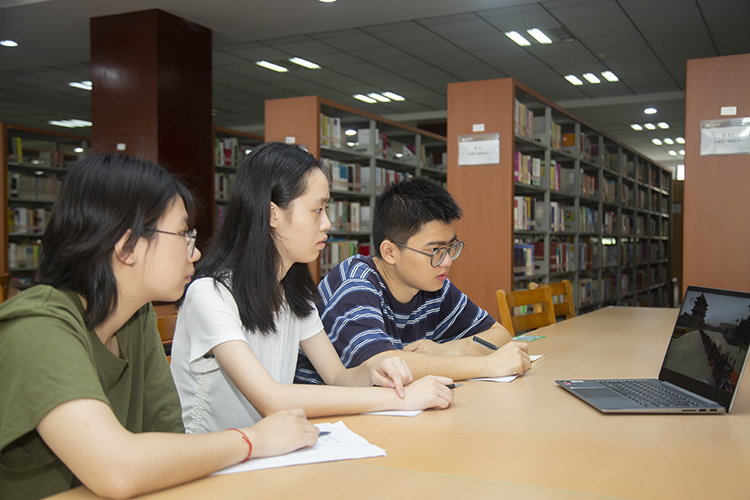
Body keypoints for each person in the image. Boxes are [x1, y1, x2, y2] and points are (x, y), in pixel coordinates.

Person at [0, 154, 319, 500]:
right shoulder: (38, 327)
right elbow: (116, 469)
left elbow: (169, 436)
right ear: (127, 247)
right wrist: (252, 440)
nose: (195, 253)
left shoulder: (135, 319)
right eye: (183, 235)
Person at [170, 142, 453, 433]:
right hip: (213, 455)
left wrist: (371, 370)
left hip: (275, 446)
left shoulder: (293, 294)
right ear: (272, 214)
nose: (326, 223)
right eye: (317, 210)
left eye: (326, 209)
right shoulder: (211, 294)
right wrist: (399, 399)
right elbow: (271, 399)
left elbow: (337, 377)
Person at [295, 177, 531, 385]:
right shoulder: (354, 282)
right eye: (435, 250)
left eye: (450, 247)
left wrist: (445, 351)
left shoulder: (433, 286)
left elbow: (498, 334)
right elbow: (383, 365)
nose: (447, 261)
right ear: (390, 252)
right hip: (326, 412)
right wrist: (486, 365)